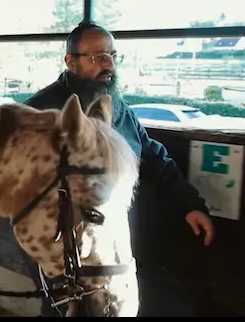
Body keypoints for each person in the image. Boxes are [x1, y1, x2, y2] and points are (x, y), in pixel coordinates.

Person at [22, 21, 215, 316]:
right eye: (98, 56)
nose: (108, 64)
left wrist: (190, 205)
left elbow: (152, 158)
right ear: (70, 61)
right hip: (65, 248)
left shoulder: (120, 111)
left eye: (112, 55)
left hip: (116, 241)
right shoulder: (41, 111)